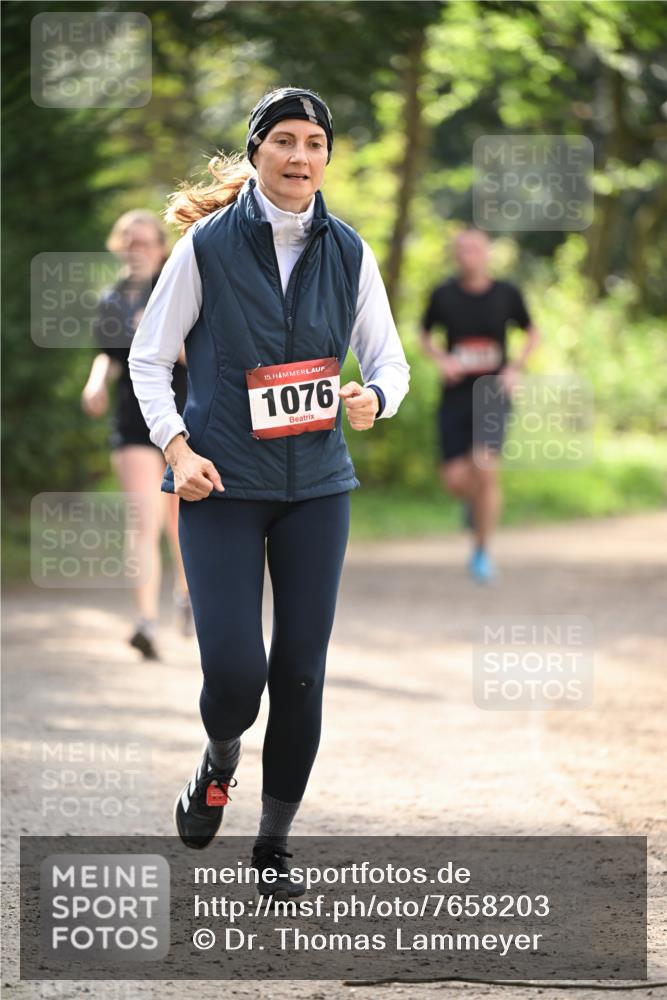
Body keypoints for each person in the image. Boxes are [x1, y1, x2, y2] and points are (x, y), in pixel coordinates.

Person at [128, 87, 410, 896]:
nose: (299, 156)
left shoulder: (349, 249)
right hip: (220, 483)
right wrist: (176, 448)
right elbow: (150, 358)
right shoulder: (208, 248)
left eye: (314, 142)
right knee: (236, 670)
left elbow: (388, 362)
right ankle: (218, 760)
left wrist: (373, 399)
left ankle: (274, 845)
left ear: (327, 156)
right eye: (283, 140)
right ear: (256, 153)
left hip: (316, 488)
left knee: (299, 673)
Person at [81, 210, 193, 659]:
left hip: (183, 420)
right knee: (143, 520)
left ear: (161, 248)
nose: (138, 249)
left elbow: (197, 358)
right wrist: (94, 384)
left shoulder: (177, 289)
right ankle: (146, 621)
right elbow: (108, 355)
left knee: (180, 523)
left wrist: (157, 332)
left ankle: (188, 596)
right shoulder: (111, 299)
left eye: (146, 242)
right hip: (133, 421)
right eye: (130, 241)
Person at [420, 228, 539, 583]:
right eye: (462, 250)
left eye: (474, 249)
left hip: (492, 393)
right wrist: (442, 359)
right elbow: (425, 334)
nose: (468, 255)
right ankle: (474, 507)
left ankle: (482, 552)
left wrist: (515, 369)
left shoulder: (507, 293)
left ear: (487, 254)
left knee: (485, 468)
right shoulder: (443, 294)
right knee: (456, 480)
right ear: (456, 256)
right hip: (455, 395)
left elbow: (533, 332)